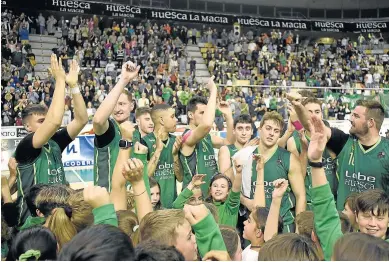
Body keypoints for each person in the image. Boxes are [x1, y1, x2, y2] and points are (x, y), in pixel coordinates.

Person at [15, 56, 88, 225]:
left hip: (59, 217)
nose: (46, 123)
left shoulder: (55, 142)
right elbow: (54, 121)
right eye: (41, 121)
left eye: (46, 119)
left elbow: (82, 120)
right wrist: (60, 79)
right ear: (27, 127)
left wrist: (74, 86)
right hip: (33, 222)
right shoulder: (26, 146)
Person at [306, 114, 389, 261]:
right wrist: (315, 162)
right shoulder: (341, 247)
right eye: (366, 216)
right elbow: (325, 212)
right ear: (356, 217)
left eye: (380, 217)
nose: (372, 224)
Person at [289, 93, 389, 210]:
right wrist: (298, 106)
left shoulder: (386, 150)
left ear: (371, 123)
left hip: (373, 222)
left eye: (356, 116)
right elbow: (312, 126)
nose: (350, 118)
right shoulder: (343, 142)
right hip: (343, 221)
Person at [241, 111, 306, 233]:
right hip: (254, 227)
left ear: (280, 134)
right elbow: (232, 189)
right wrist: (245, 201)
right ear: (260, 129)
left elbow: (300, 195)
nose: (271, 133)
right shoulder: (246, 155)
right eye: (268, 128)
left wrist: (298, 230)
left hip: (283, 225)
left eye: (276, 131)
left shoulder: (289, 158)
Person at [180, 77, 235, 195]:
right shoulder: (186, 137)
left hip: (210, 196)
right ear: (190, 114)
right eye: (201, 113)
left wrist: (229, 117)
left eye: (206, 113)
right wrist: (213, 91)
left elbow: (229, 142)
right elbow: (207, 124)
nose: (205, 116)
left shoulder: (207, 136)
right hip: (194, 198)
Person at [92, 61, 140, 191]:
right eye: (115, 104)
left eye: (122, 104)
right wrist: (123, 80)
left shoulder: (136, 131)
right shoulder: (109, 129)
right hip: (108, 197)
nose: (117, 109)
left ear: (132, 105)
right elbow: (97, 120)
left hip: (131, 196)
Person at [286, 97, 337, 210]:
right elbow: (298, 179)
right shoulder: (293, 142)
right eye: (309, 112)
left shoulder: (333, 138)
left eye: (317, 112)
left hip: (332, 202)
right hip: (309, 203)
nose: (314, 115)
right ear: (302, 116)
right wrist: (304, 152)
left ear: (322, 115)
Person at [142, 104, 183, 208]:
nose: (176, 119)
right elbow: (145, 177)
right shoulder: (144, 142)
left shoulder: (175, 141)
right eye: (172, 116)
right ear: (162, 120)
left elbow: (180, 178)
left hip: (172, 205)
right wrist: (158, 150)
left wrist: (175, 156)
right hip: (151, 206)